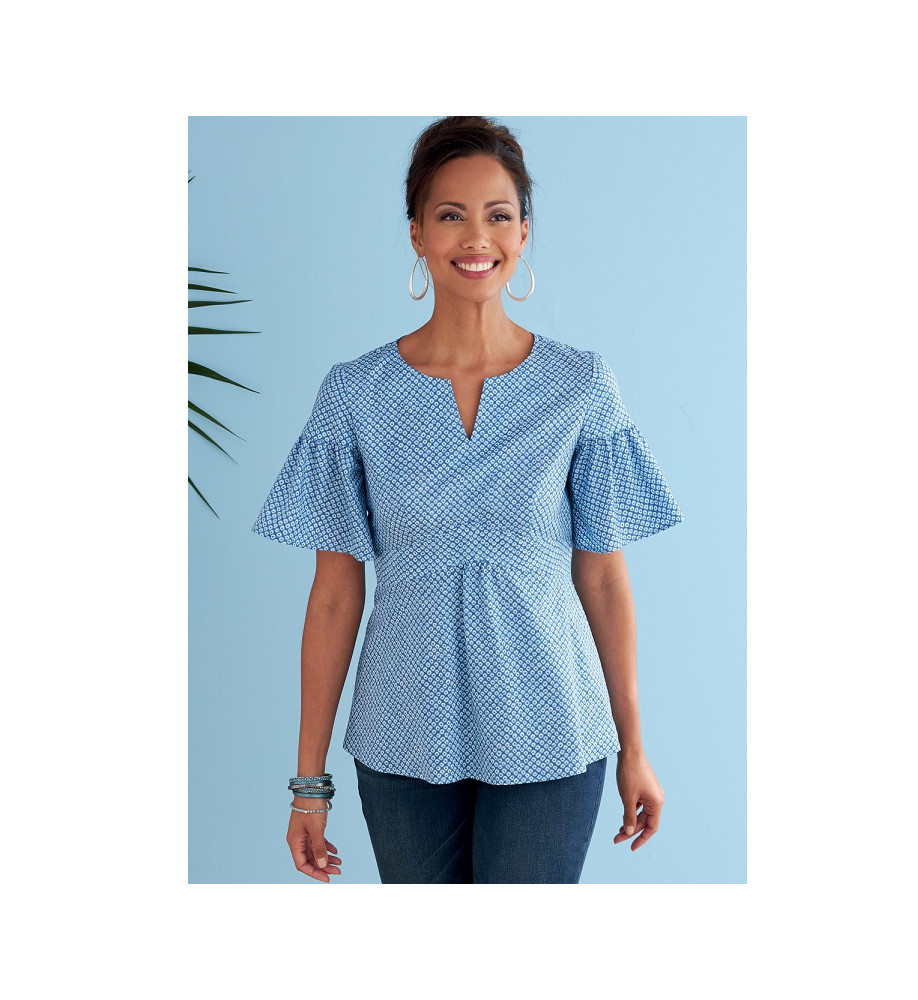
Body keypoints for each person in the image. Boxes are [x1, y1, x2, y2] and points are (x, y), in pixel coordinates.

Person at [252, 116, 684, 884]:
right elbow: (334, 595)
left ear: (523, 233)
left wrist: (635, 747)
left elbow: (603, 578)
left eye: (498, 215)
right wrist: (308, 783)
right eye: (451, 215)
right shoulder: (355, 394)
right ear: (416, 234)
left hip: (552, 730)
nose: (476, 237)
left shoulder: (581, 385)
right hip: (403, 736)